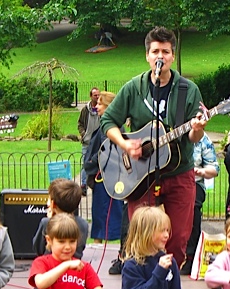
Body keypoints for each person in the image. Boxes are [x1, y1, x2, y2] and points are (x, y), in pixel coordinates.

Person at [100, 26, 208, 267]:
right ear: (147, 55)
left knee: (179, 237)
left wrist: (198, 129)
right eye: (156, 51)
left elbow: (192, 137)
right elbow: (108, 121)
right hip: (141, 174)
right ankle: (142, 287)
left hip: (179, 172)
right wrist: (125, 144)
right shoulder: (133, 88)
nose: (161, 56)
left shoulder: (187, 90)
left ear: (172, 56)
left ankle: (168, 286)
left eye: (166, 51)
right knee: (142, 236)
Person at [83, 91, 123, 243]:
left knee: (106, 217)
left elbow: (106, 151)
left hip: (107, 180)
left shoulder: (110, 129)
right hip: (103, 179)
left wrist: (91, 163)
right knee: (100, 216)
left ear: (109, 107)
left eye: (100, 104)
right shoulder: (104, 126)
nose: (97, 107)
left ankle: (102, 248)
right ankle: (99, 243)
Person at [180, 133, 219, 275]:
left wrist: (201, 171)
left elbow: (214, 169)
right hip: (169, 180)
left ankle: (190, 257)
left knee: (193, 206)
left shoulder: (204, 139)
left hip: (194, 182)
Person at [77, 87, 100, 193]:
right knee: (85, 163)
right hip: (87, 142)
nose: (97, 97)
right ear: (91, 96)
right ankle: (83, 185)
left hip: (99, 142)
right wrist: (83, 134)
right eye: (95, 95)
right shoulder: (85, 110)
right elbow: (80, 123)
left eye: (98, 95)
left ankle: (96, 184)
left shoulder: (101, 108)